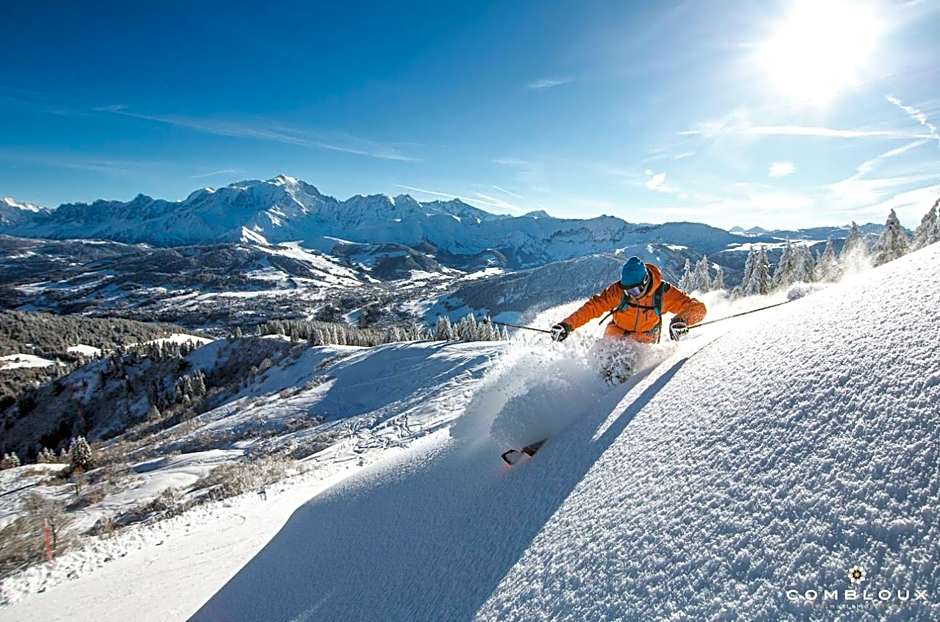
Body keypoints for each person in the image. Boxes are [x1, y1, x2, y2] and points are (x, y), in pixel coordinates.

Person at [551, 256, 706, 344]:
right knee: (606, 373)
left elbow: (698, 308)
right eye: (626, 290)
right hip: (615, 336)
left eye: (634, 290)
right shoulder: (618, 292)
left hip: (644, 341)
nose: (630, 294)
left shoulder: (663, 293)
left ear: (645, 281)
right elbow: (593, 307)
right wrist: (567, 325)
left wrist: (682, 320)